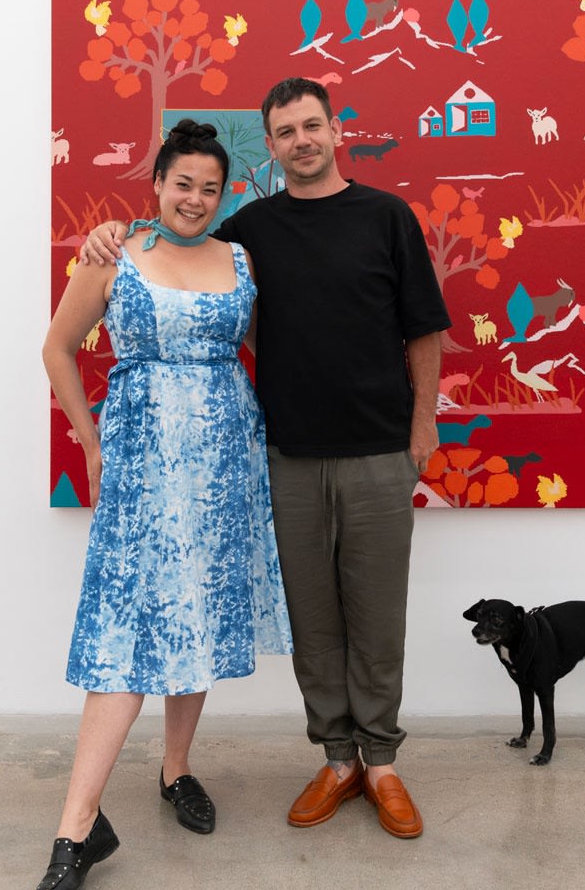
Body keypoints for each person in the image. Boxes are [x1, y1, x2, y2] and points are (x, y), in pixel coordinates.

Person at [82, 78, 449, 840]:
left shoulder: (387, 217)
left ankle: (381, 762)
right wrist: (109, 233)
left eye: (312, 125)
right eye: (286, 131)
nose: (302, 139)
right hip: (281, 453)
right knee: (312, 620)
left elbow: (424, 331)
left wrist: (423, 430)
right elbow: (182, 253)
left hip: (381, 449)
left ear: (335, 130)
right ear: (272, 146)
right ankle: (338, 758)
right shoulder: (248, 229)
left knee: (376, 616)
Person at [35, 119, 293, 890]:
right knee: (127, 631)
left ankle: (175, 768)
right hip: (145, 461)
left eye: (210, 188)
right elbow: (57, 347)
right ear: (157, 182)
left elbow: (277, 344)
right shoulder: (114, 252)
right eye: (182, 182)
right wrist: (89, 441)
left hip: (223, 462)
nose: (194, 198)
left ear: (224, 194)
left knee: (199, 614)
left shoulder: (240, 259)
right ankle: (76, 828)